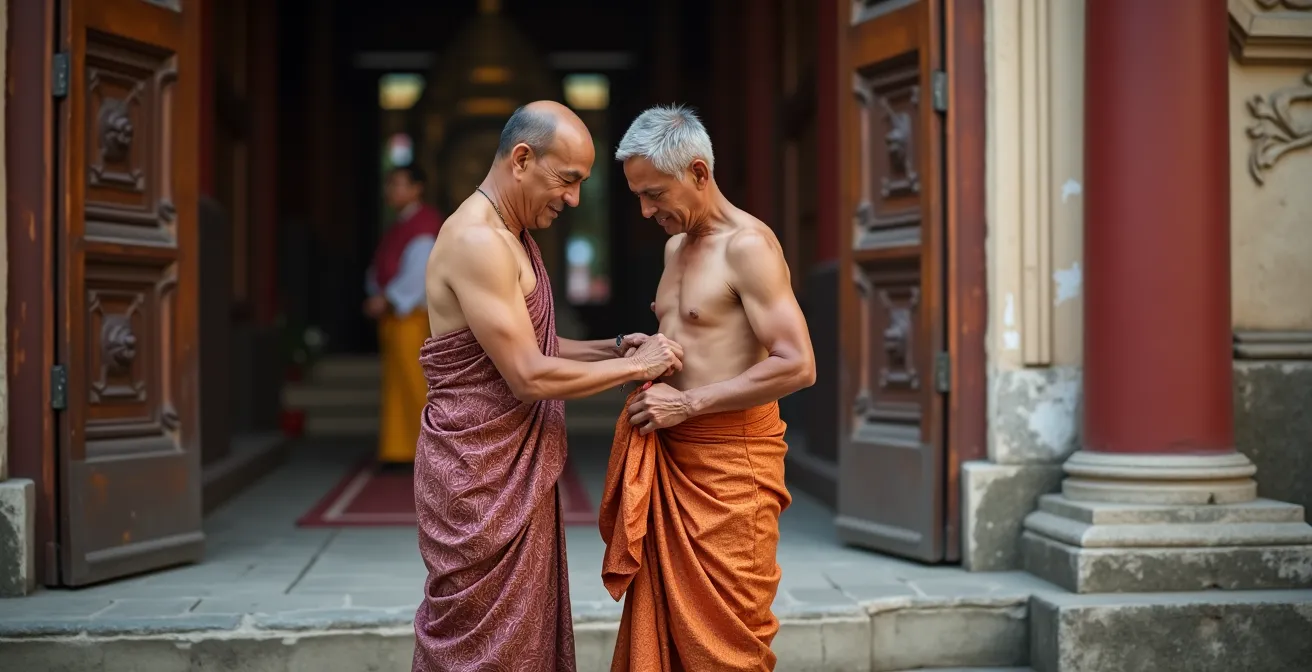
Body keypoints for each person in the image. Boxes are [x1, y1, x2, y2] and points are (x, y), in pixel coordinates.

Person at [413, 100, 685, 672]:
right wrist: (637, 368)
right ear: (521, 159)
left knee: (525, 639)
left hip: (511, 472)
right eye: (567, 179)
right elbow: (528, 374)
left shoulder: (509, 233)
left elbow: (534, 344)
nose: (574, 199)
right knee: (480, 648)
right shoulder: (478, 240)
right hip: (477, 477)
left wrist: (615, 347)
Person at [600, 104, 817, 672]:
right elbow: (700, 339)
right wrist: (649, 353)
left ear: (698, 172)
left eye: (655, 194)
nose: (646, 211)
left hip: (729, 470)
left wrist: (689, 402)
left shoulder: (749, 246)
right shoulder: (674, 248)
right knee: (666, 639)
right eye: (637, 196)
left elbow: (798, 364)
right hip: (674, 460)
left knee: (727, 646)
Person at [364, 165, 443, 466]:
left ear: (416, 188)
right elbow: (381, 267)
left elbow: (419, 274)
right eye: (390, 184)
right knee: (396, 385)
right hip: (395, 317)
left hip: (413, 317)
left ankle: (430, 451)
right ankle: (400, 450)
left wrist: (386, 299)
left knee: (415, 384)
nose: (390, 191)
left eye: (397, 184)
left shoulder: (423, 225)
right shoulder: (399, 226)